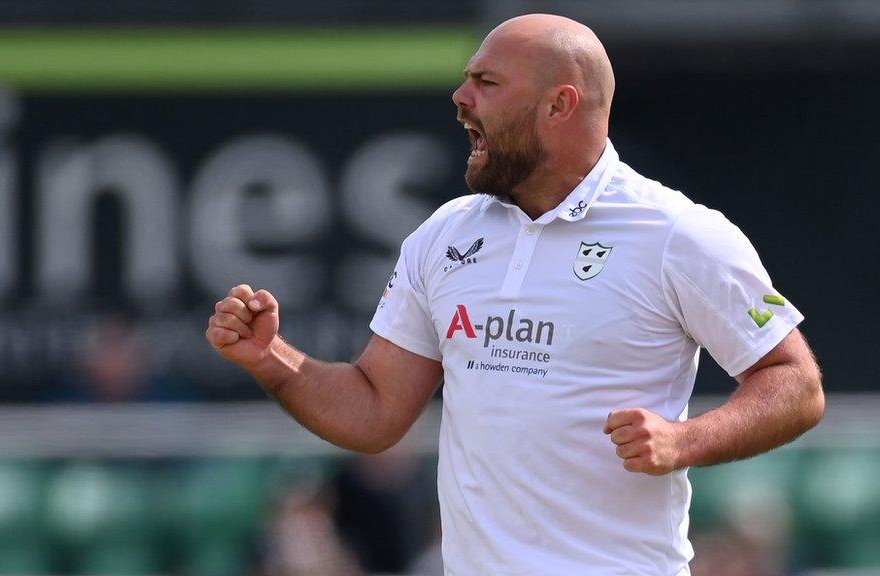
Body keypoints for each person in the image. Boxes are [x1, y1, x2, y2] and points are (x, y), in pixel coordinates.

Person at [205, 13, 824, 575]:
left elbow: (796, 384)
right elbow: (373, 413)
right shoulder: (445, 234)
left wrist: (683, 440)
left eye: (487, 82)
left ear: (560, 105)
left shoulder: (678, 234)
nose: (460, 98)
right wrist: (271, 358)